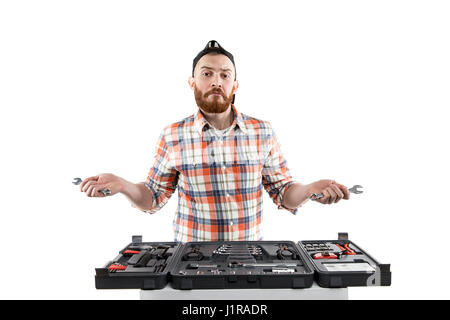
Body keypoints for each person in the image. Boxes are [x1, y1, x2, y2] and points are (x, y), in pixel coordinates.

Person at [80, 40, 350, 242]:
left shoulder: (263, 131)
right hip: (189, 260)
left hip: (248, 260)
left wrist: (310, 190)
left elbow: (284, 194)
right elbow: (153, 197)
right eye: (207, 74)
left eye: (225, 74)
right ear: (192, 82)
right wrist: (123, 185)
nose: (216, 81)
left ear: (235, 85)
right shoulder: (173, 135)